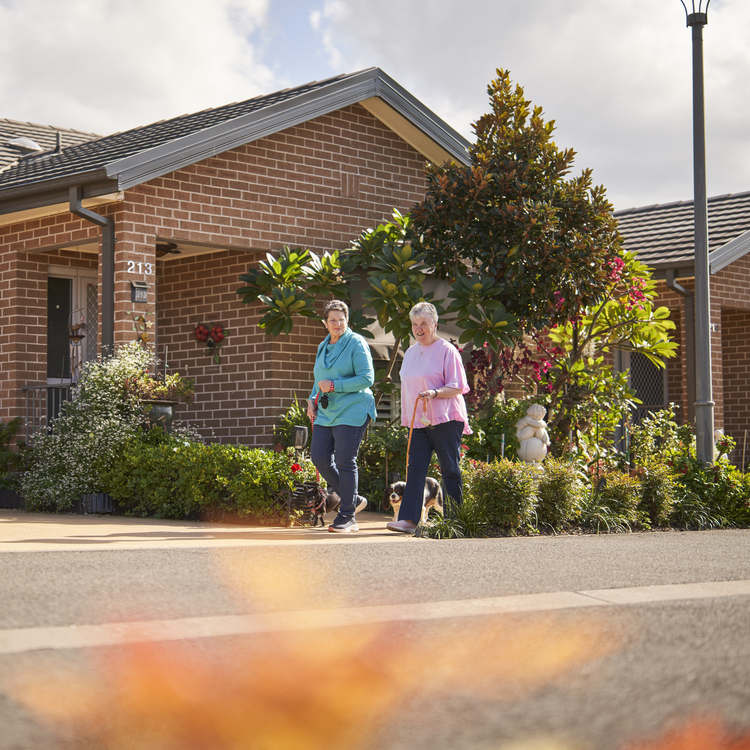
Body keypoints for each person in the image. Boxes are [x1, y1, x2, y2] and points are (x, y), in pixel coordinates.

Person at [386, 301, 471, 534]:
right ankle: (409, 520)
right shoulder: (411, 352)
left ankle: (454, 520)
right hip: (418, 421)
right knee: (415, 468)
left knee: (449, 469)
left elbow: (458, 386)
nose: (418, 328)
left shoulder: (447, 350)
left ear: (435, 324)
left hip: (445, 418)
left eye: (424, 323)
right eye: (415, 324)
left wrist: (435, 393)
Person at [307, 300, 377, 533]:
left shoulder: (356, 342)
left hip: (354, 409)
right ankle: (353, 500)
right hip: (327, 412)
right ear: (324, 323)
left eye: (342, 319)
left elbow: (367, 378)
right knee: (319, 458)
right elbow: (320, 379)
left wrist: (335, 386)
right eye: (333, 320)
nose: (337, 324)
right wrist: (311, 398)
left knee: (346, 461)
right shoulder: (323, 346)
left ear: (348, 321)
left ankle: (348, 516)